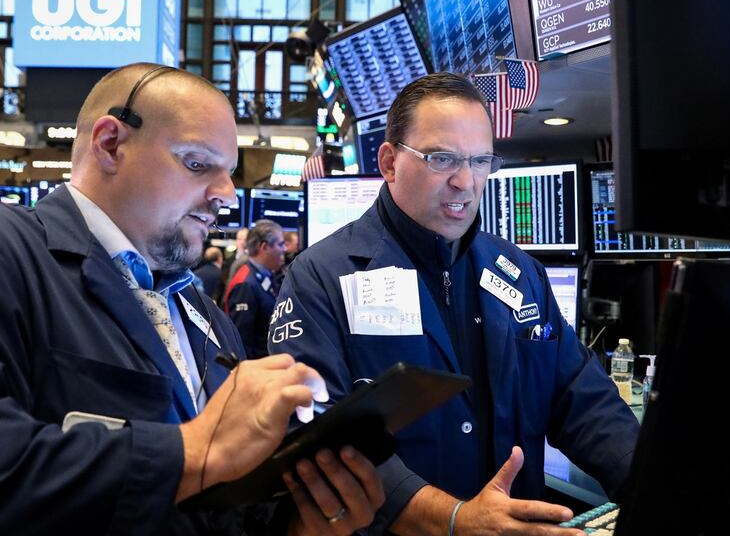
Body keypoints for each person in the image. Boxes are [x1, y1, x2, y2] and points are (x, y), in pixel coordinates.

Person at [0, 63, 383, 535]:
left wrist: (297, 525)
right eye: (198, 164)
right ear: (110, 144)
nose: (226, 194)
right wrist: (194, 451)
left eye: (228, 173)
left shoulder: (204, 316)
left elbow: (217, 506)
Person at [269, 72, 640, 534]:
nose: (465, 182)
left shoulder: (520, 272)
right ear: (389, 162)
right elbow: (318, 436)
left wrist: (654, 487)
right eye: (441, 159)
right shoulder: (321, 277)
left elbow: (582, 400)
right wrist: (451, 519)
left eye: (481, 161)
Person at [225, 219, 286, 360]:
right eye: (280, 244)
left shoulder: (265, 275)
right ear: (264, 247)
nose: (284, 249)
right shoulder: (245, 284)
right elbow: (241, 343)